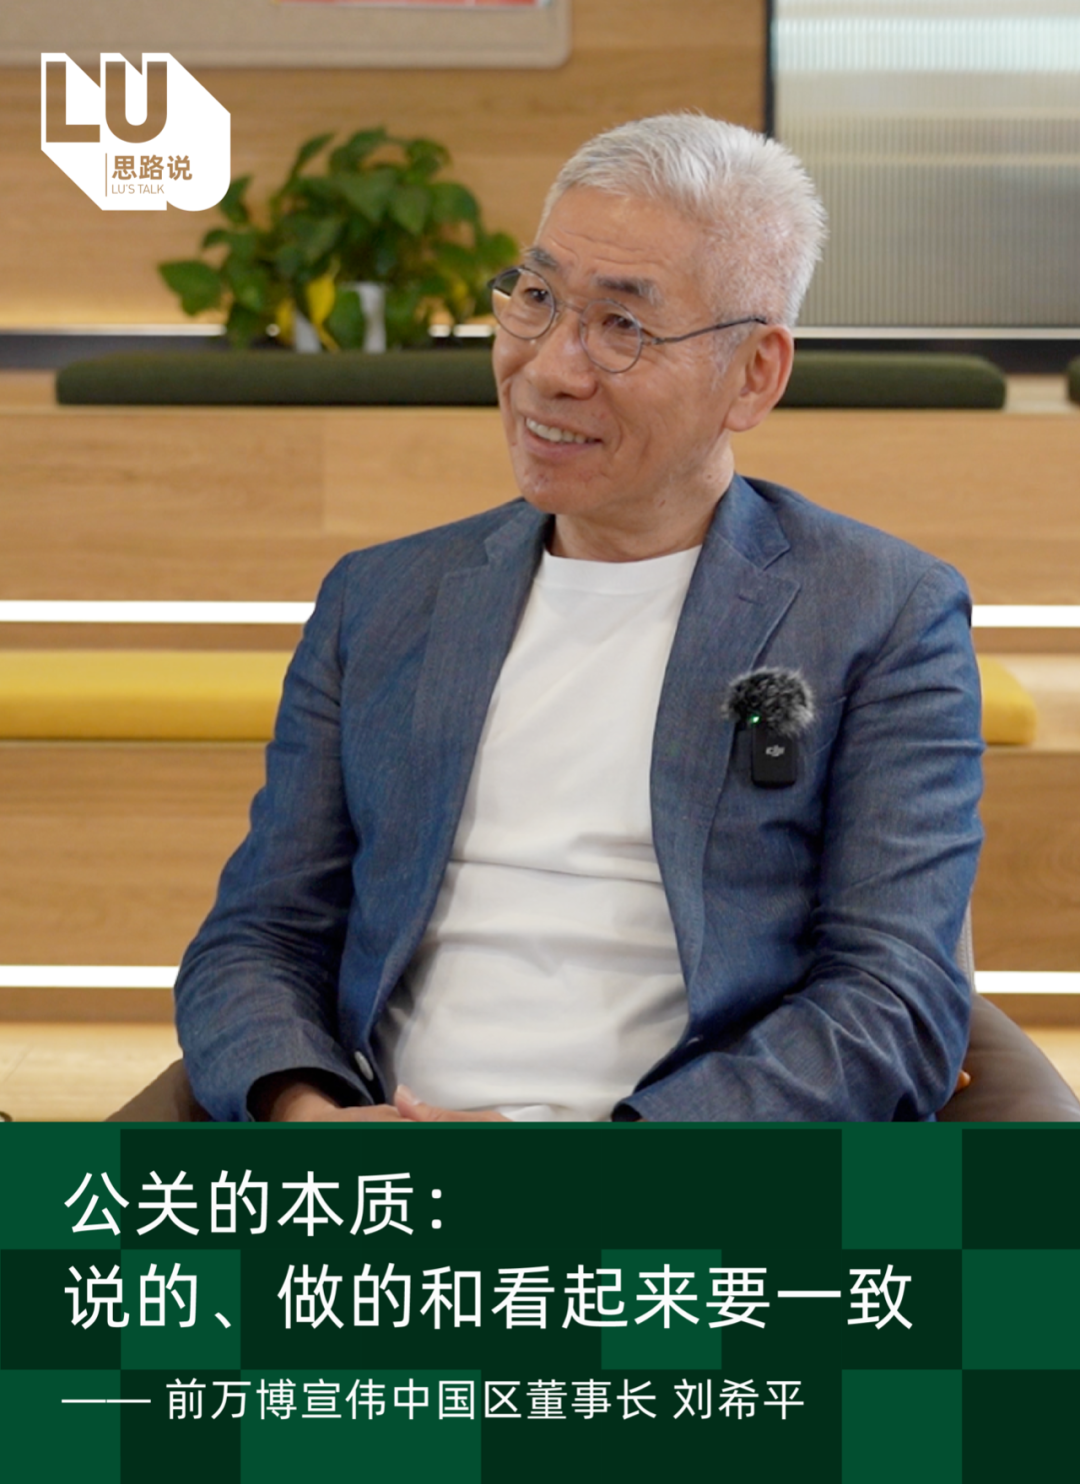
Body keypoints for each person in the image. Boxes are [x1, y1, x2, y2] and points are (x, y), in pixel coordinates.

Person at [174, 113, 983, 1124]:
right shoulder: (380, 599)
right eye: (538, 298)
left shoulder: (880, 613)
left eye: (623, 326)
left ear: (755, 374)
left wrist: (593, 1175)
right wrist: (312, 1119)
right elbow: (257, 938)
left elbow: (893, 997)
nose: (552, 367)